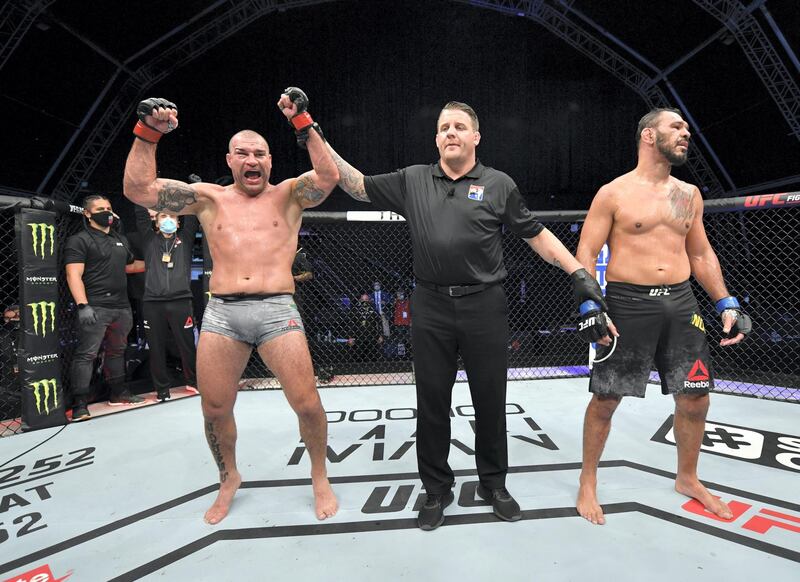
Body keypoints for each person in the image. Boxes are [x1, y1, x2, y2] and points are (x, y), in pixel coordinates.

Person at [327, 100, 606, 530]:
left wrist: (579, 272)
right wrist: (309, 129)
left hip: (484, 304)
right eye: (443, 127)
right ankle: (436, 489)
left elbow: (535, 234)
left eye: (459, 126)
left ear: (476, 137)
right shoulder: (412, 179)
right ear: (436, 138)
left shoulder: (498, 184)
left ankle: (494, 483)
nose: (450, 133)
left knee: (490, 400)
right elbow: (355, 184)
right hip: (431, 304)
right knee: (432, 401)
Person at [122, 90, 339, 524]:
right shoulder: (207, 198)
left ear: (271, 161)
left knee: (308, 404)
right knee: (215, 409)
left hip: (278, 309)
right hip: (222, 314)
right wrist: (148, 134)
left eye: (259, 153)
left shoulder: (290, 195)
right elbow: (138, 189)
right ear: (229, 160)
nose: (251, 159)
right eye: (243, 153)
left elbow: (329, 176)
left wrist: (303, 122)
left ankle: (319, 475)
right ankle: (229, 477)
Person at [574, 108, 752, 526]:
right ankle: (587, 480)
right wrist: (590, 304)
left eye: (687, 128)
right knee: (606, 398)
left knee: (695, 395)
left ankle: (688, 478)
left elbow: (700, 252)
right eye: (677, 127)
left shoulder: (688, 194)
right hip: (627, 304)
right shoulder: (614, 192)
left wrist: (725, 301)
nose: (686, 133)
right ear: (649, 135)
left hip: (681, 303)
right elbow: (586, 252)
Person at [64, 195, 146, 421]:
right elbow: (73, 274)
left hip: (122, 306)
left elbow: (129, 266)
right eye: (100, 209)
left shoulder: (119, 239)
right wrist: (83, 305)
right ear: (87, 214)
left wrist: (159, 263)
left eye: (109, 208)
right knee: (86, 354)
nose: (107, 212)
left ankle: (118, 393)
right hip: (95, 306)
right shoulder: (79, 240)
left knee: (117, 351)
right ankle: (80, 404)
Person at [135, 206, 200, 401]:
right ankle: (162, 389)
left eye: (173, 216)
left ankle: (193, 382)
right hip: (153, 303)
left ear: (179, 222)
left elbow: (192, 218)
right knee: (156, 347)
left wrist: (191, 192)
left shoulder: (185, 240)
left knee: (187, 345)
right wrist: (142, 197)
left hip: (181, 301)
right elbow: (140, 215)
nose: (169, 219)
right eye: (164, 216)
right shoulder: (149, 240)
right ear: (156, 221)